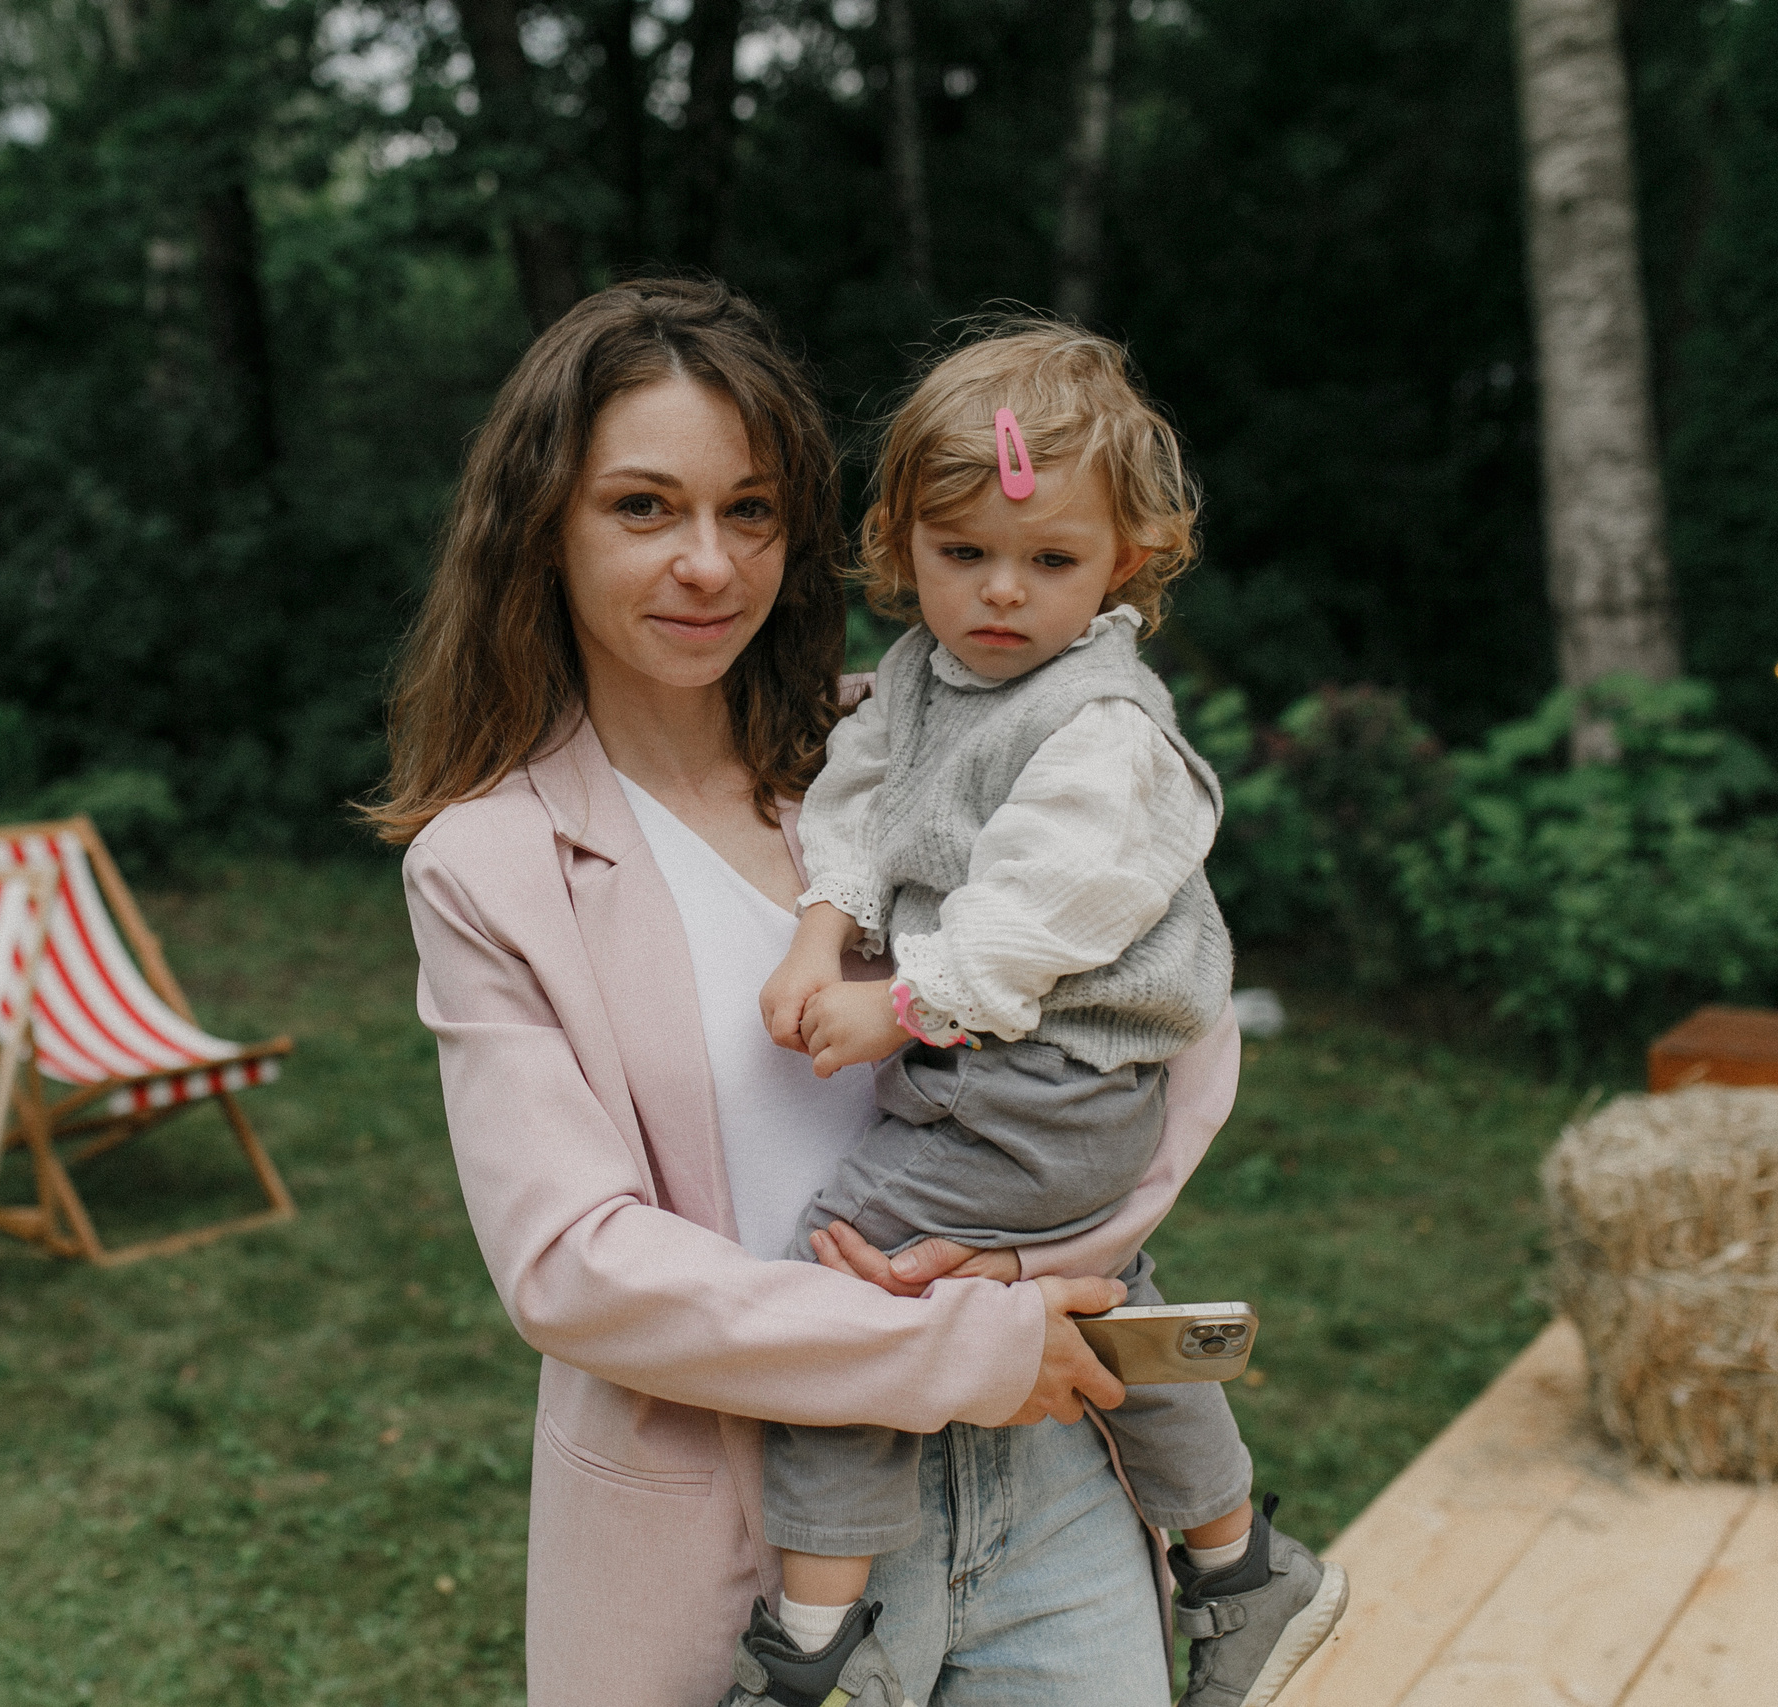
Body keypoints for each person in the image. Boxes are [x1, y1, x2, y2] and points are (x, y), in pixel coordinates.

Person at [370, 277, 1242, 1707]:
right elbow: (574, 1266)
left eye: (752, 511)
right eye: (643, 508)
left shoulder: (917, 741)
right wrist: (948, 1342)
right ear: (544, 524)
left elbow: (1175, 1042)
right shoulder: (492, 863)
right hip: (758, 1534)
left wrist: (1033, 1276)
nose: (707, 563)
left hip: (1047, 1479)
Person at [740, 323, 1348, 1707]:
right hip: (1000, 1071)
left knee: (843, 1284)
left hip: (1049, 1075)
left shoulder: (1105, 727)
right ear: (903, 543)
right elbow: (857, 796)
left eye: (1051, 561)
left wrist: (895, 1008)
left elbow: (1037, 911)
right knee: (1104, 1297)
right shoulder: (921, 675)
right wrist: (818, 926)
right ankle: (1240, 1566)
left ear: (1125, 559)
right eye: (964, 557)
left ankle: (813, 1650)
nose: (1002, 594)